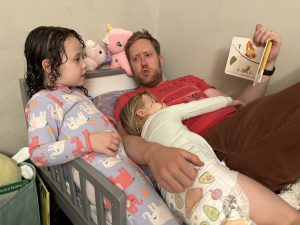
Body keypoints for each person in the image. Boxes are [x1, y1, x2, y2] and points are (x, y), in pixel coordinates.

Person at [113, 24, 300, 194]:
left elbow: (239, 103)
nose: (143, 63)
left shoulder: (189, 80)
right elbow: (126, 140)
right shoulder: (131, 101)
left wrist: (267, 64)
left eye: (148, 55)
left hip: (237, 123)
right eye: (136, 59)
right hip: (208, 144)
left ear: (160, 59)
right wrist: (152, 153)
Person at [24, 26, 181, 225]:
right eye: (77, 59)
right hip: (106, 177)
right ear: (48, 66)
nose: (84, 65)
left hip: (122, 163)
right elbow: (38, 153)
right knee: (152, 213)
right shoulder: (42, 101)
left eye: (83, 58)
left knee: (164, 196)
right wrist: (88, 141)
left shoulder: (75, 94)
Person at [119, 92, 300, 225]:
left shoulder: (144, 143)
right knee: (291, 219)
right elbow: (197, 106)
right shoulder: (164, 114)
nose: (162, 102)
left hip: (180, 204)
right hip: (204, 175)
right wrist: (228, 100)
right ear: (142, 113)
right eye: (155, 101)